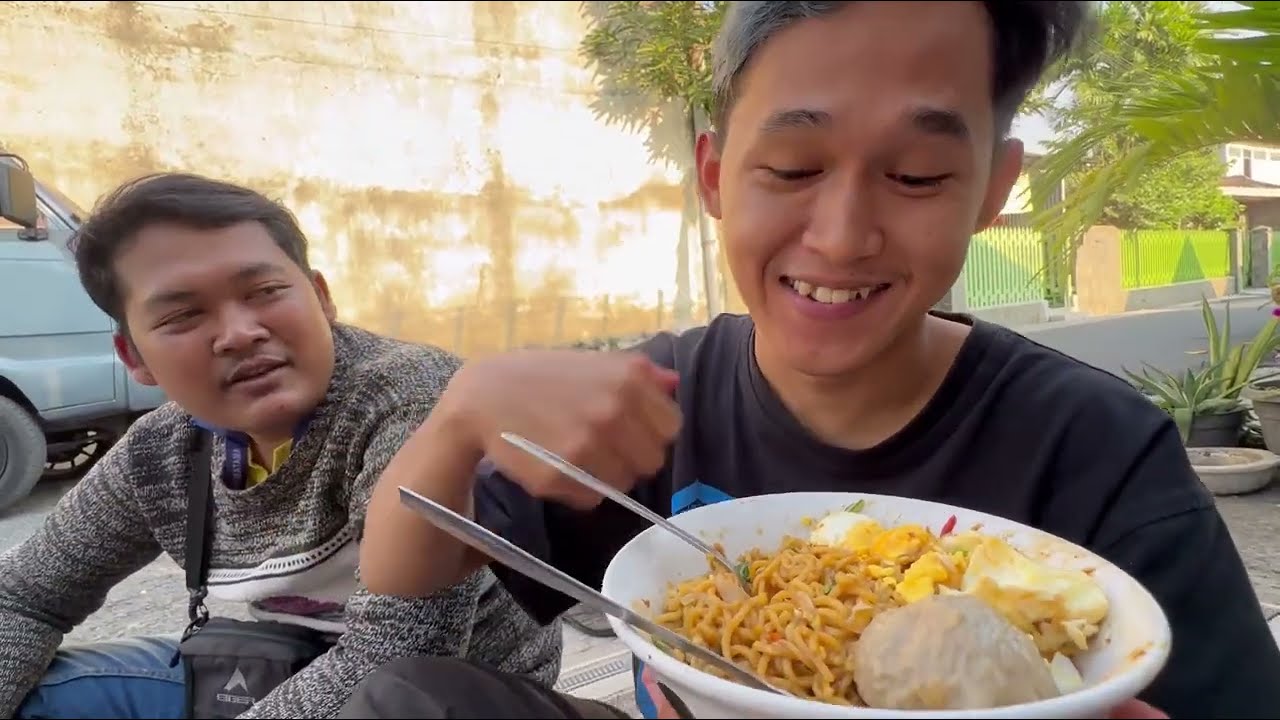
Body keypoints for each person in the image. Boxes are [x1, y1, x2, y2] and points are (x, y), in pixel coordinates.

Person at [354, 1, 1280, 718]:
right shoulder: (651, 402)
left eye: (916, 175)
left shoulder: (1097, 447)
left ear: (994, 191)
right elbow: (400, 574)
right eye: (793, 169)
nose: (840, 239)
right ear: (715, 175)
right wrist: (462, 411)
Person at [0, 173, 562, 719]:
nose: (240, 332)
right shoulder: (160, 454)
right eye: (183, 314)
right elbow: (24, 597)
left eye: (265, 291)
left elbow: (401, 653)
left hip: (451, 694)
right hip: (285, 666)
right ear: (134, 357)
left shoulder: (410, 403)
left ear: (321, 297)